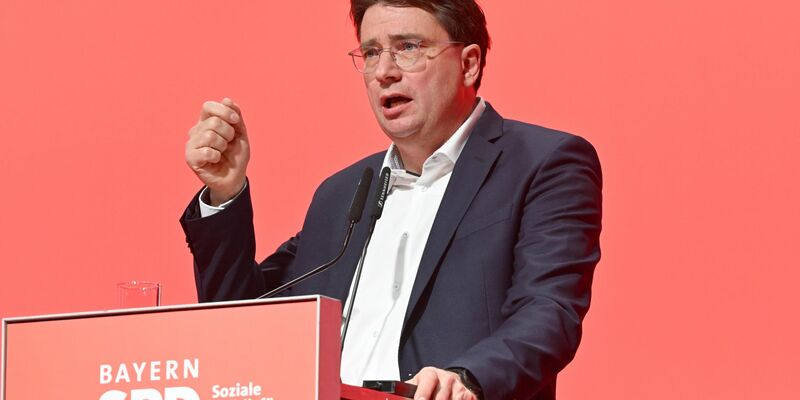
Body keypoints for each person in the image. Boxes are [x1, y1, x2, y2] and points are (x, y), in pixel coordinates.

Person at [180, 1, 602, 399]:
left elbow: (548, 312)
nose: (384, 71)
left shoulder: (542, 164)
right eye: (371, 53)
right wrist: (225, 192)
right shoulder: (342, 193)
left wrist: (466, 377)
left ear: (469, 63)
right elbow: (239, 323)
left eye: (408, 48)